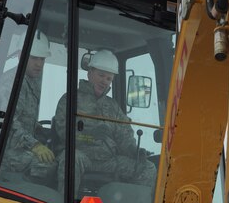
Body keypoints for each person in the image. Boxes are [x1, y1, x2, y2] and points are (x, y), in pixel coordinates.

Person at [54, 49, 155, 195]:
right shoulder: (70, 99)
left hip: (108, 160)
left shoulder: (113, 106)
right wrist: (89, 134)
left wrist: (134, 151)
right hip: (82, 155)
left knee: (147, 168)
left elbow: (124, 134)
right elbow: (63, 131)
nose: (104, 81)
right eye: (101, 75)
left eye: (108, 79)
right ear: (90, 73)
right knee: (71, 159)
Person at [0, 30, 57, 184]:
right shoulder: (11, 82)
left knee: (55, 156)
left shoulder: (29, 81)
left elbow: (22, 117)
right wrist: (35, 145)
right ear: (20, 55)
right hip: (2, 151)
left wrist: (39, 130)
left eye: (42, 59)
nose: (39, 63)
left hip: (18, 147)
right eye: (34, 58)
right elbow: (6, 121)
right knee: (48, 166)